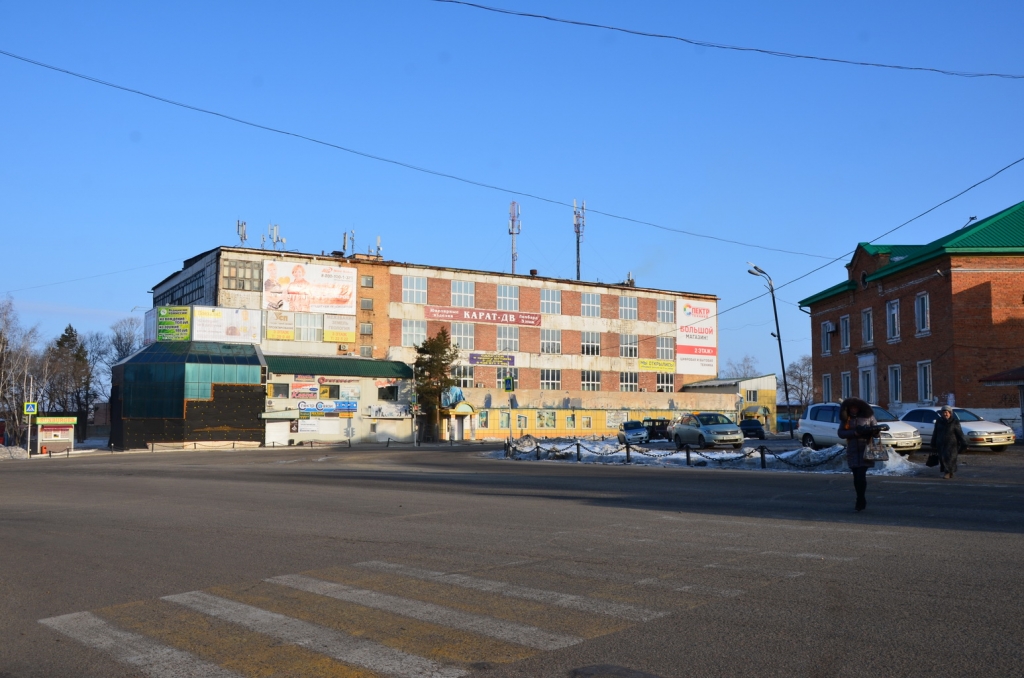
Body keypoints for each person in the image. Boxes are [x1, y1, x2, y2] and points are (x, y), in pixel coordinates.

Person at [838, 397, 881, 512]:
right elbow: (841, 433)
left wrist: (874, 431)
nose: (853, 410)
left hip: (865, 449)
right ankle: (860, 497)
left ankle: (861, 499)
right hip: (852, 450)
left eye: (855, 407)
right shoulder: (846, 419)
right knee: (856, 476)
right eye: (851, 408)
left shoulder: (868, 417)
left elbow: (876, 431)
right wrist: (854, 433)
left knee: (861, 476)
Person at [932, 405, 968, 479]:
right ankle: (949, 472)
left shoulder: (955, 422)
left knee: (949, 458)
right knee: (943, 458)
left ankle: (947, 473)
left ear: (950, 413)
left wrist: (964, 443)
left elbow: (960, 433)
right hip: (940, 443)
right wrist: (933, 442)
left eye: (946, 412)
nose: (945, 414)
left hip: (951, 444)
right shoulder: (939, 421)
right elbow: (935, 432)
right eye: (943, 412)